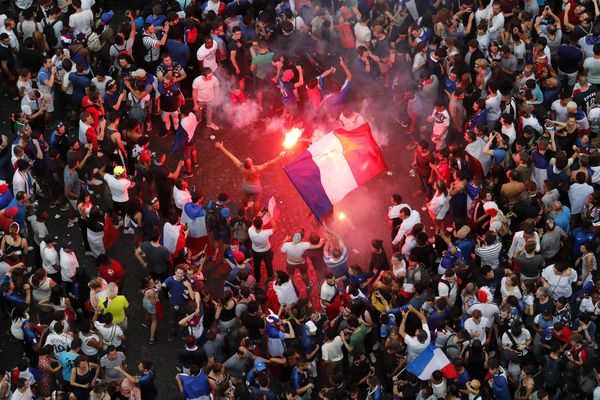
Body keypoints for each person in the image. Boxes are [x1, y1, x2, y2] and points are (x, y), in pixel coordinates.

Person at [214, 140, 285, 207]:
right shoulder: (257, 169)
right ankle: (256, 214)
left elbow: (231, 156)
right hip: (256, 187)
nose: (248, 157)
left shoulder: (241, 167)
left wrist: (221, 147)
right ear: (251, 164)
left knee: (245, 197)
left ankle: (244, 206)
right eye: (248, 159)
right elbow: (270, 163)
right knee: (257, 201)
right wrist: (280, 156)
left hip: (246, 186)